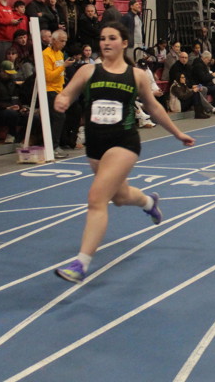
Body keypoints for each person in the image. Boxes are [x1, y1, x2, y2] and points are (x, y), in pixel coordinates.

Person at [53, 21, 195, 283]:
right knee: (119, 197)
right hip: (96, 145)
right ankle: (149, 202)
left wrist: (177, 133)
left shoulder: (136, 75)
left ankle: (81, 263)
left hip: (124, 143)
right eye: (103, 38)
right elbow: (67, 94)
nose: (106, 43)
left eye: (112, 38)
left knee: (97, 198)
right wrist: (62, 100)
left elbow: (154, 108)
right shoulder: (88, 71)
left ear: (124, 43)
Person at [42, 29, 74, 158]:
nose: (64, 44)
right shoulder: (46, 55)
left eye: (65, 41)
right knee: (58, 117)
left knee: (62, 116)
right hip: (49, 90)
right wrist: (63, 66)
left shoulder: (60, 54)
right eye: (61, 41)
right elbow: (48, 76)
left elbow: (61, 74)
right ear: (53, 40)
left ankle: (59, 143)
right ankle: (53, 147)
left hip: (59, 89)